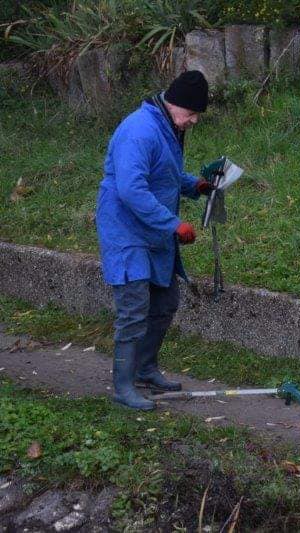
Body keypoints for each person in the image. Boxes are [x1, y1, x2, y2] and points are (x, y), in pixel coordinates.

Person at [95, 70, 214, 411]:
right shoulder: (139, 130)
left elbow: (164, 175)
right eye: (191, 114)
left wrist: (196, 186)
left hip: (153, 229)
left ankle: (145, 369)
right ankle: (122, 387)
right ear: (174, 104)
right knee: (134, 309)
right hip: (127, 230)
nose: (193, 121)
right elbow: (131, 188)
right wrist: (173, 224)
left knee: (164, 303)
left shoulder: (167, 126)